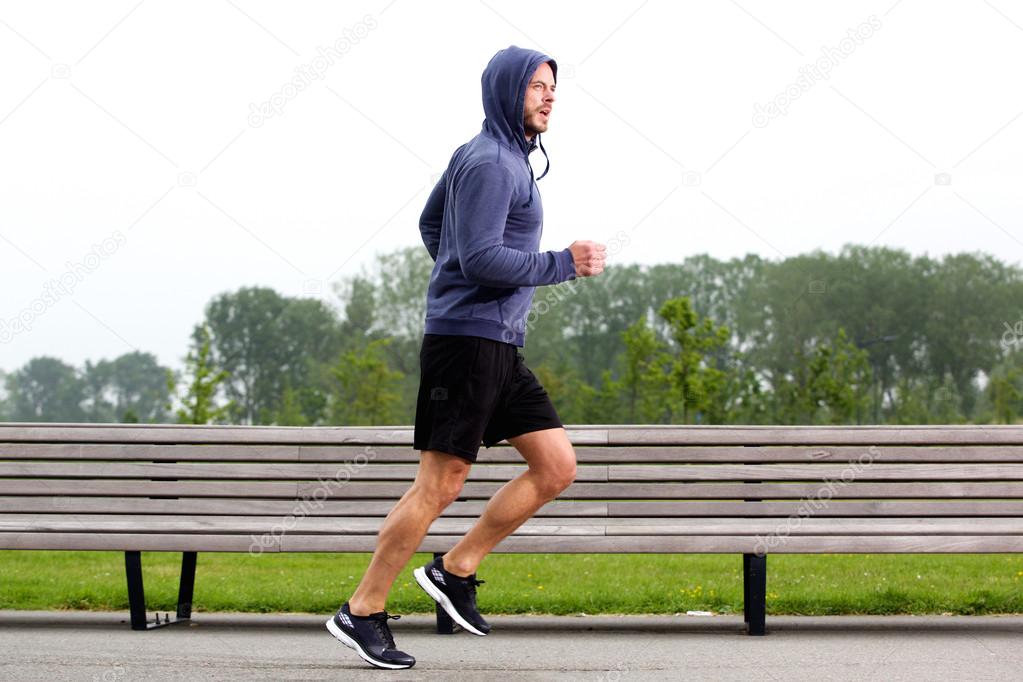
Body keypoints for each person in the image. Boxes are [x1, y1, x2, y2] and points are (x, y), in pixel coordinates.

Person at [326, 44, 606, 670]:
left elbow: (434, 229)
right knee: (440, 484)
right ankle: (363, 609)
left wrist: (460, 279)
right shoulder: (489, 163)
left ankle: (456, 568)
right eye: (536, 87)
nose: (549, 97)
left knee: (556, 466)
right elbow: (476, 256)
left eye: (552, 87)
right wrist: (562, 263)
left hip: (500, 344)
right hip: (466, 347)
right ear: (508, 92)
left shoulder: (494, 157)